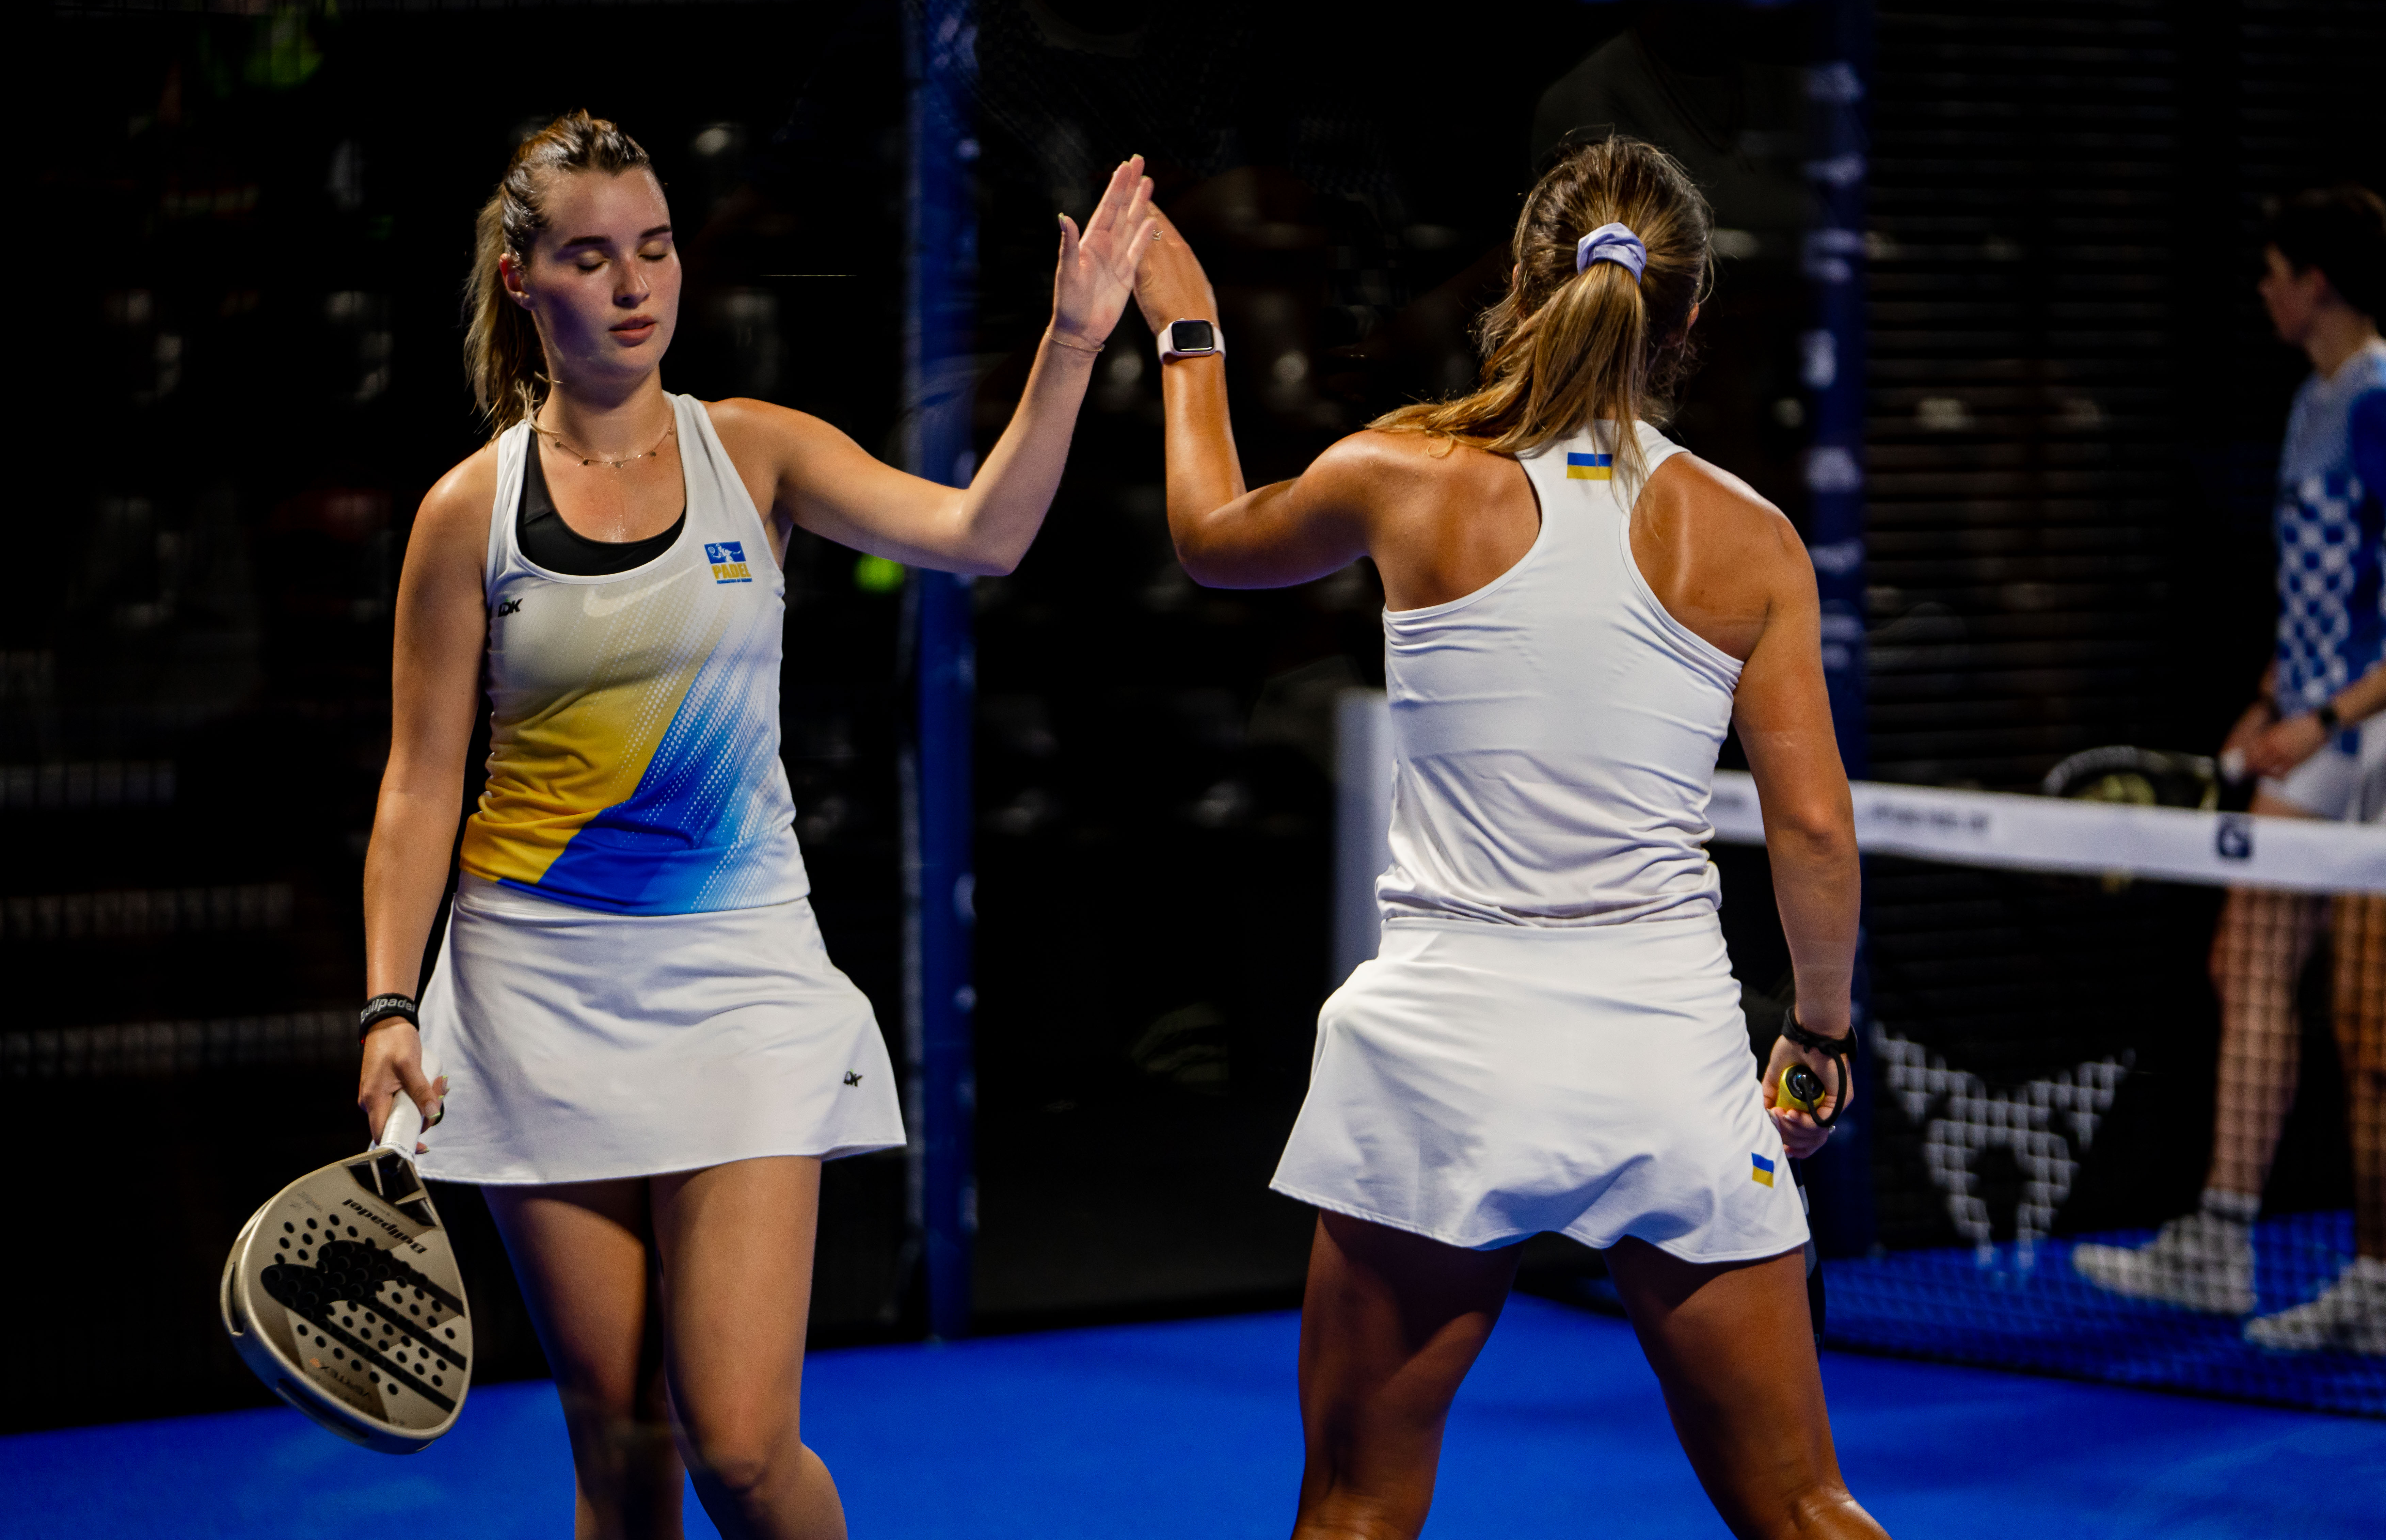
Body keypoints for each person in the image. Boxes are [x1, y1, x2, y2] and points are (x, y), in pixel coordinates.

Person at [355, 111, 1156, 1538]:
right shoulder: (466, 514)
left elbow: (982, 534)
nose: (634, 284)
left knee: (738, 1446)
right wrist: (387, 1005)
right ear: (522, 281)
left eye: (656, 248)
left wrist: (1075, 340)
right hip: (534, 994)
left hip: (739, 983)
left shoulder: (758, 453)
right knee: (622, 1448)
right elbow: (421, 784)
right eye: (592, 258)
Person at [1135, 135, 1887, 1540]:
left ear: (1521, 288)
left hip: (1445, 1052)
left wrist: (1190, 332)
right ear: (1689, 319)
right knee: (1804, 1505)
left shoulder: (1404, 471)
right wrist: (1819, 1037)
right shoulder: (1755, 539)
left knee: (1354, 1507)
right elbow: (1815, 834)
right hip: (1666, 1052)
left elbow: (1210, 535)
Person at [2074, 185, 2386, 1356]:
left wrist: (2324, 717)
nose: (2262, 289)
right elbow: (2326, 589)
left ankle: (2362, 1274)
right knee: (2245, 963)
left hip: (2369, 734)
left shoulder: (2379, 400)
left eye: (2273, 271)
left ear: (2317, 282)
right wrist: (2270, 700)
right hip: (2318, 728)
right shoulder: (2314, 401)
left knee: (2365, 1019)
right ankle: (2220, 1242)